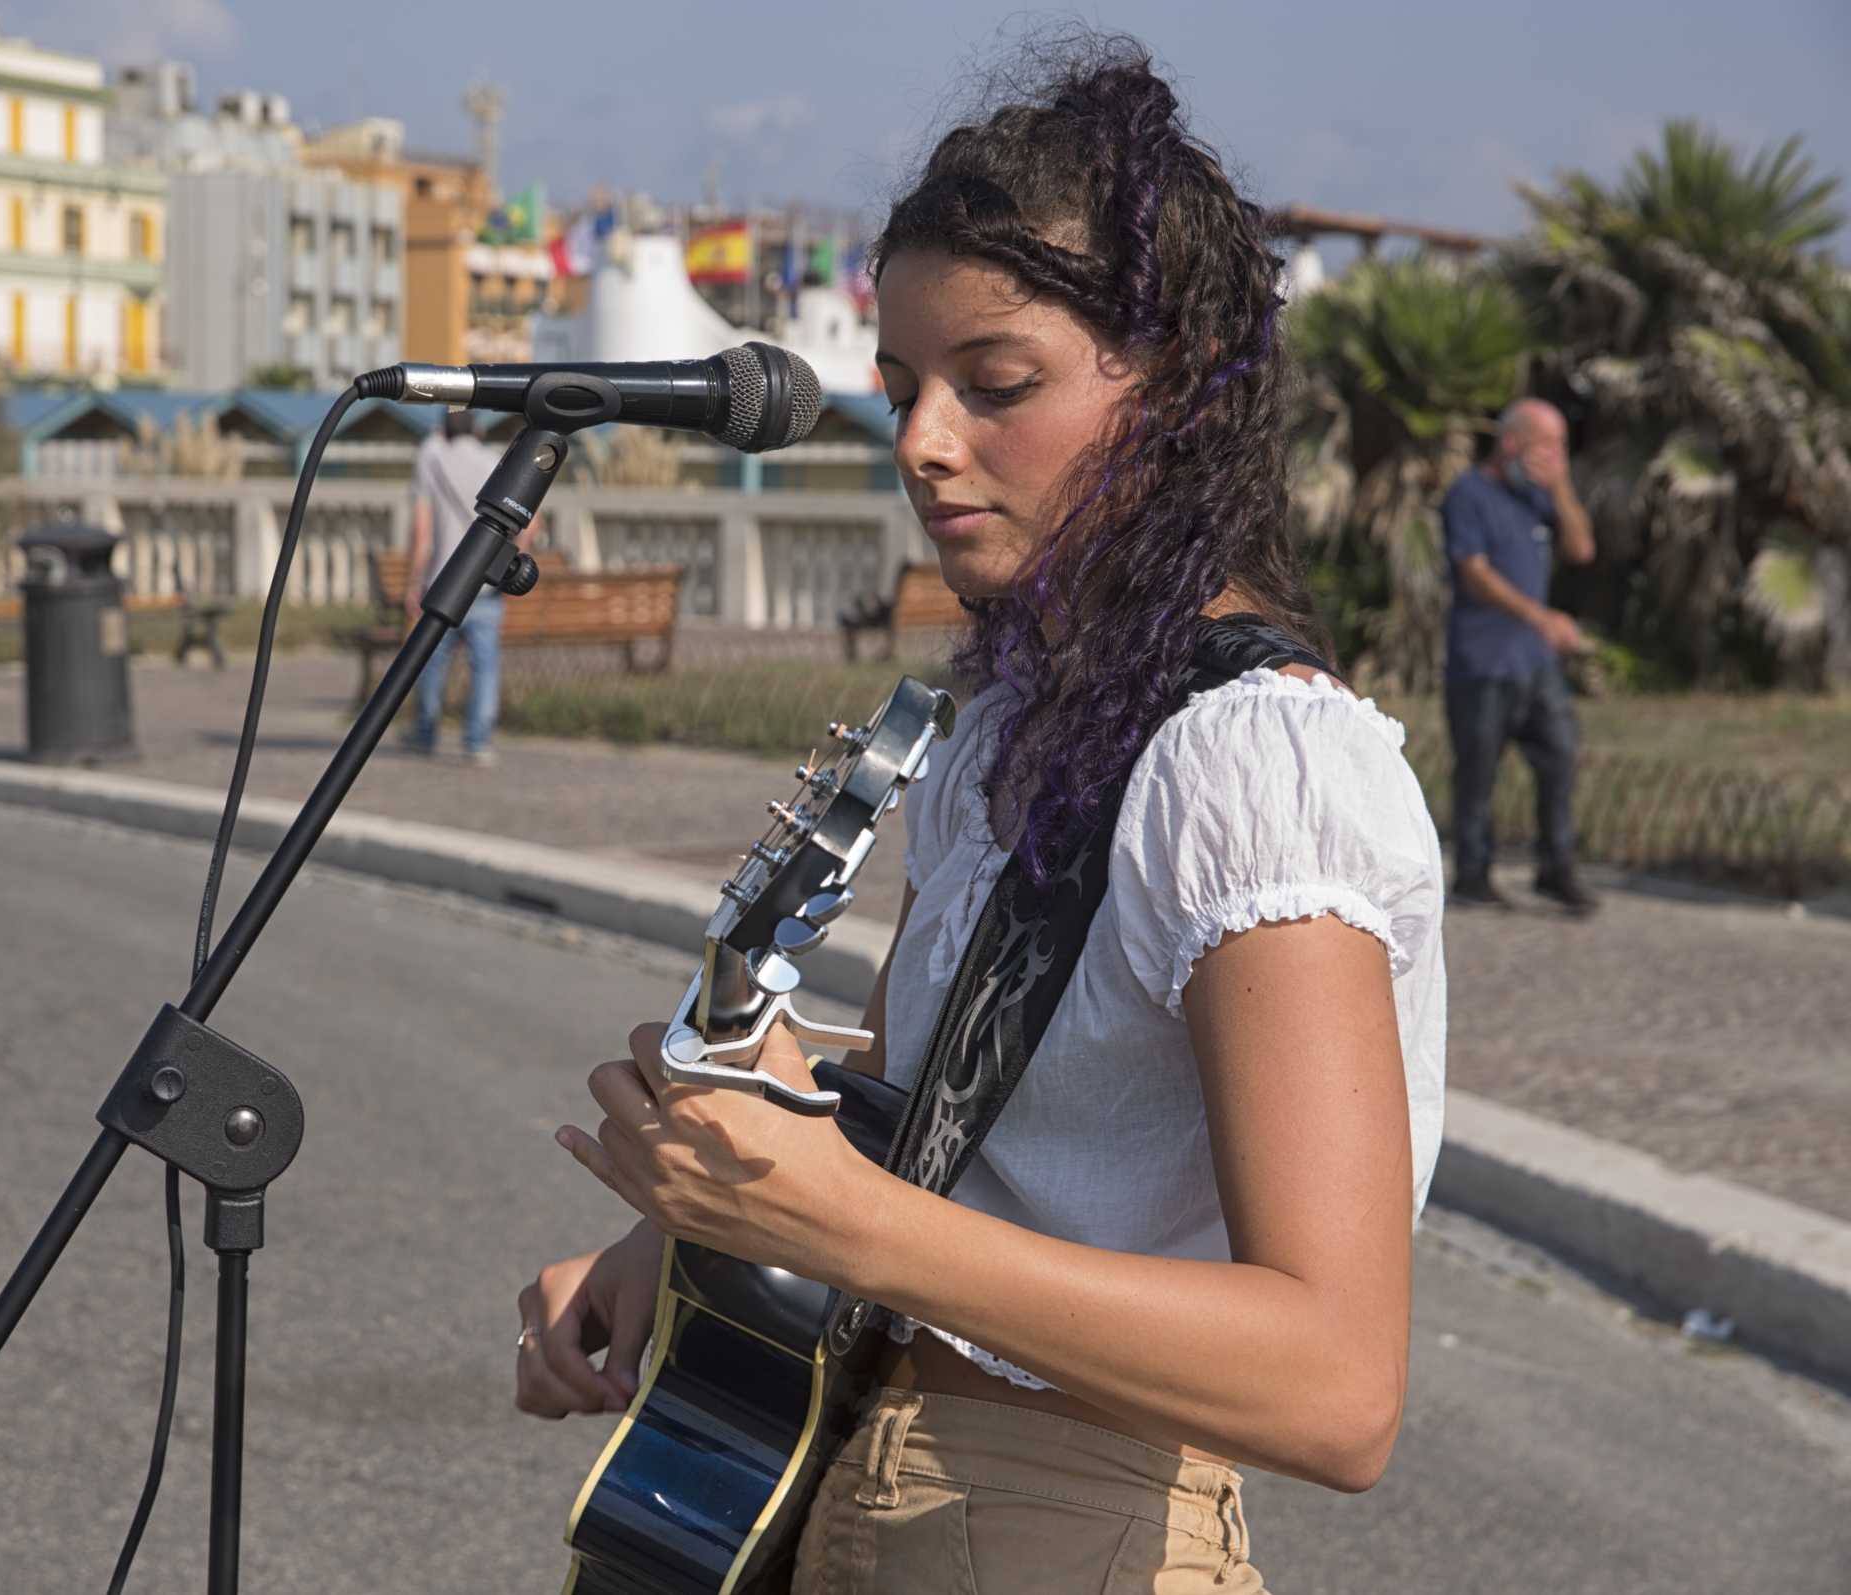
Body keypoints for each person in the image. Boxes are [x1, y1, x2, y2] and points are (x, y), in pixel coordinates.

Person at [516, 36, 1446, 1593]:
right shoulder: (1024, 726)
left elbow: (1338, 1383)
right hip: (857, 1489)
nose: (924, 442)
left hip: (1076, 1525)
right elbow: (927, 1125)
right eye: (902, 391)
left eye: (996, 385)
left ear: (1173, 393)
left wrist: (842, 1227)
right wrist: (681, 1240)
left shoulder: (1263, 769)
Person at [1440, 398, 1598, 912]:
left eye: (1561, 447)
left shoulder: (1539, 498)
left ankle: (1555, 867)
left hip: (1536, 663)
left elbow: (1581, 551)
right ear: (1511, 443)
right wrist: (1540, 617)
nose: (1555, 455)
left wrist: (1561, 486)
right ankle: (1472, 873)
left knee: (1560, 755)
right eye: (1546, 446)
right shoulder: (1469, 493)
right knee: (1479, 769)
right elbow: (1474, 572)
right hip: (1482, 660)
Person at [401, 410, 535, 766]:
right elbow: (529, 526)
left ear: (444, 429)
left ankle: (425, 732)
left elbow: (423, 531)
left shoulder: (432, 460)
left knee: (431, 662)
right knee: (485, 666)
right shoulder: (496, 461)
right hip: (486, 586)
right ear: (477, 430)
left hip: (443, 582)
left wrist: (413, 582)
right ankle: (478, 741)